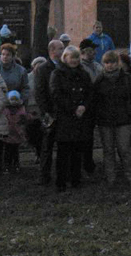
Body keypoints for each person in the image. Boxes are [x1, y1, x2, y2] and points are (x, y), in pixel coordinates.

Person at [50, 46, 93, 191]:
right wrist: (73, 108)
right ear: (65, 58)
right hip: (64, 117)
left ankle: (76, 179)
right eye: (71, 57)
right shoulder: (57, 74)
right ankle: (61, 181)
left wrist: (84, 106)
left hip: (80, 117)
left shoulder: (84, 74)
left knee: (77, 151)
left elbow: (89, 93)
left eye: (76, 57)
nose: (74, 60)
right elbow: (56, 95)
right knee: (63, 152)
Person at [92, 50, 131, 185]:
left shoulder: (126, 79)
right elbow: (94, 100)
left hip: (123, 119)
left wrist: (130, 111)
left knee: (124, 149)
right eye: (107, 62)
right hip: (105, 120)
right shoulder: (99, 80)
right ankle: (110, 177)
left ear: (117, 63)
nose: (110, 65)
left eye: (112, 62)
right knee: (108, 150)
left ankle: (130, 177)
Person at [34, 40, 65, 184]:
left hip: (63, 112)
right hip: (49, 113)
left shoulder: (64, 67)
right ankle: (44, 175)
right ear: (52, 50)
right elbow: (40, 93)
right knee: (47, 145)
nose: (63, 51)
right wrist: (46, 113)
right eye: (60, 48)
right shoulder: (43, 69)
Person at [78, 38, 101, 174]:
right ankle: (85, 161)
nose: (93, 53)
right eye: (90, 51)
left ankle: (88, 161)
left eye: (94, 50)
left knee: (90, 136)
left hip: (95, 105)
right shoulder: (81, 67)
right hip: (86, 106)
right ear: (83, 52)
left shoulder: (97, 66)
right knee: (85, 136)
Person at [25, 57, 46, 163]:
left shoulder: (46, 77)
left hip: (43, 108)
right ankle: (37, 152)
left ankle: (42, 154)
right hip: (31, 108)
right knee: (33, 133)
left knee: (43, 134)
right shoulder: (28, 78)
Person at [3, 90, 29, 173]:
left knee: (15, 151)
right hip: (8, 133)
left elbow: (24, 120)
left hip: (17, 133)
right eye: (12, 99)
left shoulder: (21, 110)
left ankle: (16, 164)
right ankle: (7, 165)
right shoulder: (5, 110)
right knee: (7, 151)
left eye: (15, 99)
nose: (14, 102)